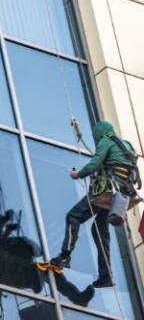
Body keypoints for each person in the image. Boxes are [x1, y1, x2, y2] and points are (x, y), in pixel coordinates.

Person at [50, 120, 138, 288]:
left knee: (73, 216)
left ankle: (65, 255)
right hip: (121, 195)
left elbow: (95, 163)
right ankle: (106, 276)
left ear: (99, 134)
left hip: (107, 191)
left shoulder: (106, 141)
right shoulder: (126, 144)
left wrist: (79, 174)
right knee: (99, 231)